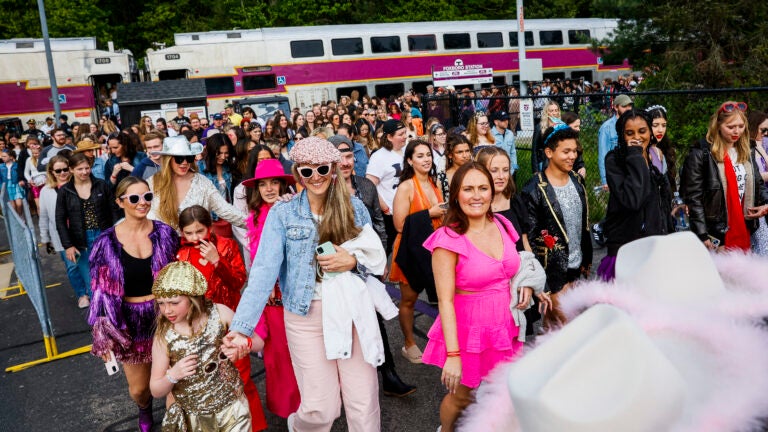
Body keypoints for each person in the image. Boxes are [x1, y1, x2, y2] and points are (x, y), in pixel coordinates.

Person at [225, 137, 389, 432]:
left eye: (323, 169)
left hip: (352, 312)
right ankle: (299, 426)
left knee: (363, 403)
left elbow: (375, 262)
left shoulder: (354, 208)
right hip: (304, 316)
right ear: (298, 173)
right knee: (319, 408)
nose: (316, 177)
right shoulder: (283, 213)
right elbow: (263, 273)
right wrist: (240, 329)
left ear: (334, 170)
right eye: (307, 171)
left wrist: (353, 263)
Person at [422, 162, 530, 432]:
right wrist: (453, 355)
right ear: (456, 194)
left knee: (505, 393)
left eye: (483, 188)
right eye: (468, 189)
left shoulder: (502, 223)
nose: (477, 195)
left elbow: (515, 266)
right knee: (461, 397)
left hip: (506, 325)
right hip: (468, 330)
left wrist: (524, 285)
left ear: (493, 192)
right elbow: (444, 301)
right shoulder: (447, 239)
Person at [88, 176, 178, 432]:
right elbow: (100, 294)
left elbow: (178, 275)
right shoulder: (105, 243)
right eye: (135, 198)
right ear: (120, 202)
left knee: (175, 380)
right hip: (130, 323)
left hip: (165, 316)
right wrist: (103, 335)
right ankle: (145, 408)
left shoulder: (165, 234)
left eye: (147, 197)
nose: (143, 203)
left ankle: (176, 422)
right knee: (140, 389)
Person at [331, 135, 416, 397]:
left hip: (366, 265)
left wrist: (378, 262)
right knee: (341, 323)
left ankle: (388, 373)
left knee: (375, 318)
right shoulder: (323, 189)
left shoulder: (366, 187)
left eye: (348, 155)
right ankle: (341, 384)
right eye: (338, 157)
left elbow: (379, 224)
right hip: (336, 268)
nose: (345, 162)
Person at [175, 206, 268, 430]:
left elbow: (238, 282)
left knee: (240, 376)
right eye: (189, 233)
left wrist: (218, 261)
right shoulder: (180, 253)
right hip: (198, 326)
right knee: (206, 381)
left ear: (210, 227)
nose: (195, 237)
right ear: (181, 232)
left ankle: (252, 426)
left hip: (229, 322)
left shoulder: (226, 245)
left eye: (200, 231)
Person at [149, 261, 260, 432]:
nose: (167, 310)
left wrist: (244, 344)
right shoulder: (164, 336)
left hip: (232, 409)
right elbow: (156, 389)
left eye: (174, 302)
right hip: (194, 418)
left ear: (193, 298)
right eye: (161, 303)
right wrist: (173, 375)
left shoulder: (219, 313)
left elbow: (259, 342)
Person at [237, 158, 302, 417]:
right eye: (263, 184)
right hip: (271, 300)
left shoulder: (295, 209)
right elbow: (256, 260)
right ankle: (285, 408)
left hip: (294, 294)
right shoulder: (254, 218)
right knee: (278, 358)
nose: (269, 188)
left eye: (275, 182)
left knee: (301, 354)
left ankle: (308, 407)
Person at [680, 101, 768, 252]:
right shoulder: (701, 154)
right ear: (718, 126)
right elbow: (694, 197)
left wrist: (766, 204)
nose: (736, 131)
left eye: (741, 126)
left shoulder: (746, 151)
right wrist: (702, 234)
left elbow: (758, 183)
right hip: (716, 231)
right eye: (731, 127)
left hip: (745, 225)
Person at [598, 110, 673, 280]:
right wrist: (635, 156)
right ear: (621, 135)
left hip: (654, 243)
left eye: (642, 131)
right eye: (629, 133)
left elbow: (662, 201)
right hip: (626, 247)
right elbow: (633, 200)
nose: (637, 137)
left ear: (650, 132)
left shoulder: (655, 156)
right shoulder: (614, 160)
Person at [391, 139, 446, 363]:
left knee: (443, 298)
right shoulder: (406, 187)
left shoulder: (434, 183)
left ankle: (445, 340)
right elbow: (399, 225)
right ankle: (409, 342)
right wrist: (429, 214)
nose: (426, 159)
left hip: (434, 249)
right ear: (410, 160)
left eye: (428, 155)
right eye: (420, 156)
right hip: (411, 251)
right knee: (409, 300)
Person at [522, 125, 593, 294]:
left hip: (577, 266)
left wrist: (587, 258)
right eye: (566, 151)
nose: (572, 156)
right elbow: (529, 239)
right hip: (551, 271)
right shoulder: (534, 189)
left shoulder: (577, 180)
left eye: (575, 151)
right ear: (549, 153)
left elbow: (583, 223)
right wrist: (542, 283)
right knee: (557, 319)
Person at [56, 152, 117, 308]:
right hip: (81, 240)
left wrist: (116, 234)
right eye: (79, 169)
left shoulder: (101, 184)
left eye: (87, 168)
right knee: (91, 281)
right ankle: (100, 319)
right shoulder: (65, 191)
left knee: (110, 276)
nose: (84, 172)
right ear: (71, 169)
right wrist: (68, 245)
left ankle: (113, 312)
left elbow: (114, 211)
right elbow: (60, 220)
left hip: (104, 236)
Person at [148, 135, 246, 231]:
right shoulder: (152, 183)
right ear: (168, 159)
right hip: (163, 245)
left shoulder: (202, 182)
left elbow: (226, 210)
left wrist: (256, 224)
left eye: (189, 158)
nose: (185, 162)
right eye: (179, 158)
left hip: (195, 244)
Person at [39, 155, 89, 308]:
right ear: (52, 172)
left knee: (88, 264)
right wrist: (45, 238)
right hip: (61, 236)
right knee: (73, 266)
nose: (62, 173)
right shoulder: (46, 191)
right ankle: (82, 294)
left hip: (83, 233)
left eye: (65, 169)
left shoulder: (80, 185)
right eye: (58, 170)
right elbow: (44, 216)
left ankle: (95, 293)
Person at [366, 120, 407, 254]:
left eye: (405, 133)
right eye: (401, 134)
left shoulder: (407, 151)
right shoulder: (379, 156)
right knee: (390, 247)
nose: (405, 136)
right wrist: (384, 206)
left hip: (408, 208)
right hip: (390, 211)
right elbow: (370, 184)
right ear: (389, 137)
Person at [597, 94, 634, 188]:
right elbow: (603, 155)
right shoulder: (607, 127)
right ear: (616, 107)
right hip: (616, 175)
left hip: (632, 172)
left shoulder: (634, 124)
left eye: (630, 105)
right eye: (624, 106)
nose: (628, 108)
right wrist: (605, 180)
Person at [747, 111, 768, 255]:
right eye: (763, 130)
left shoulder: (759, 145)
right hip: (752, 204)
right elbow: (750, 176)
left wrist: (761, 148)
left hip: (763, 200)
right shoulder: (746, 148)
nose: (766, 133)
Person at [645, 105, 677, 191]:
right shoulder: (643, 152)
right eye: (655, 125)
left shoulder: (663, 150)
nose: (660, 130)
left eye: (664, 125)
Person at [438, 134, 473, 201]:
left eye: (467, 151)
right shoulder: (442, 177)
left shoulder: (476, 173)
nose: (465, 155)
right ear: (450, 155)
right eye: (460, 152)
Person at [0, 149, 25, 215]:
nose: (2, 158)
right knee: (13, 206)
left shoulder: (17, 165)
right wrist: (1, 188)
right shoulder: (0, 166)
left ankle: (20, 217)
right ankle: (16, 220)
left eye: (4, 156)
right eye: (2, 156)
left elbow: (21, 175)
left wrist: (22, 181)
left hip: (16, 185)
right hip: (6, 186)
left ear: (11, 157)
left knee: (19, 204)